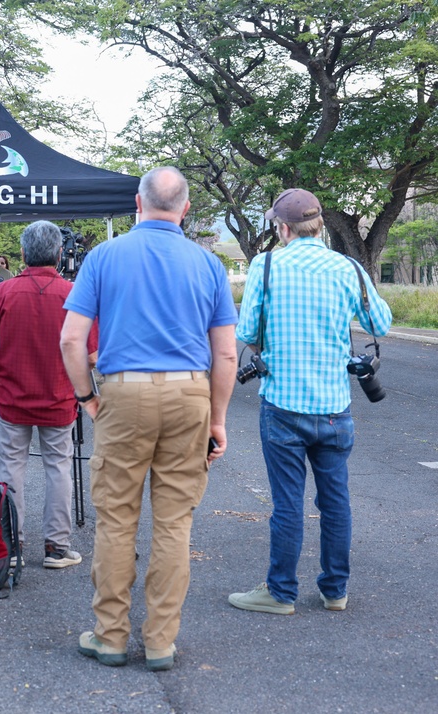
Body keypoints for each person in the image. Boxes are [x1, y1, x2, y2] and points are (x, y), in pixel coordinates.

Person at [60, 166, 238, 672]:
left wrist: (86, 398)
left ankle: (110, 635)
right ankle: (161, 641)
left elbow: (72, 340)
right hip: (189, 396)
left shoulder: (104, 256)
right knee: (174, 523)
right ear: (185, 210)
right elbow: (224, 356)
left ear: (137, 205)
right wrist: (217, 419)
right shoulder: (208, 265)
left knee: (116, 519)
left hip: (124, 394)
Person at [228, 188, 392, 616]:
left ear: (282, 228)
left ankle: (280, 593)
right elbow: (381, 323)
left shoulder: (265, 266)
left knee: (287, 504)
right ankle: (335, 591)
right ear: (318, 224)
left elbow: (245, 332)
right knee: (335, 502)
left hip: (282, 405)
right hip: (334, 407)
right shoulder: (348, 268)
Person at [0, 221, 95, 569]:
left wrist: (0, 380)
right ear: (59, 254)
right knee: (59, 468)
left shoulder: (3, 292)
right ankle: (57, 547)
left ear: (22, 254)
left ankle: (12, 545)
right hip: (59, 399)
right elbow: (94, 354)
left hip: (13, 400)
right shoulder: (74, 294)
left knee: (10, 470)